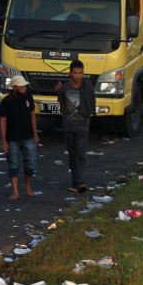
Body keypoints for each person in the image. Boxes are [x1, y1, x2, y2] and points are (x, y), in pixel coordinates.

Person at [0, 75, 38, 200]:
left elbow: (32, 115)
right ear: (14, 87)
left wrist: (35, 134)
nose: (24, 88)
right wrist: (4, 141)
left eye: (24, 86)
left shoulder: (28, 97)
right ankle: (15, 191)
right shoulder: (6, 102)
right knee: (13, 164)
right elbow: (3, 121)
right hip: (12, 139)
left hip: (28, 137)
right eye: (21, 86)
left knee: (31, 163)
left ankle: (27, 185)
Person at [58, 60, 95, 193]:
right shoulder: (64, 88)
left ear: (83, 73)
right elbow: (62, 106)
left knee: (81, 154)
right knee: (72, 155)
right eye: (75, 73)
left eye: (80, 73)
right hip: (68, 126)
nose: (78, 76)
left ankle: (80, 182)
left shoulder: (88, 87)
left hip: (83, 126)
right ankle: (75, 181)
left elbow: (92, 102)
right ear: (70, 73)